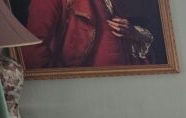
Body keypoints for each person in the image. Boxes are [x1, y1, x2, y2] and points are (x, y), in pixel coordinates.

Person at [22, 0, 154, 69]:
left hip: (124, 84)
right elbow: (33, 50)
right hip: (85, 89)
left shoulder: (115, 2)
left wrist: (134, 33)